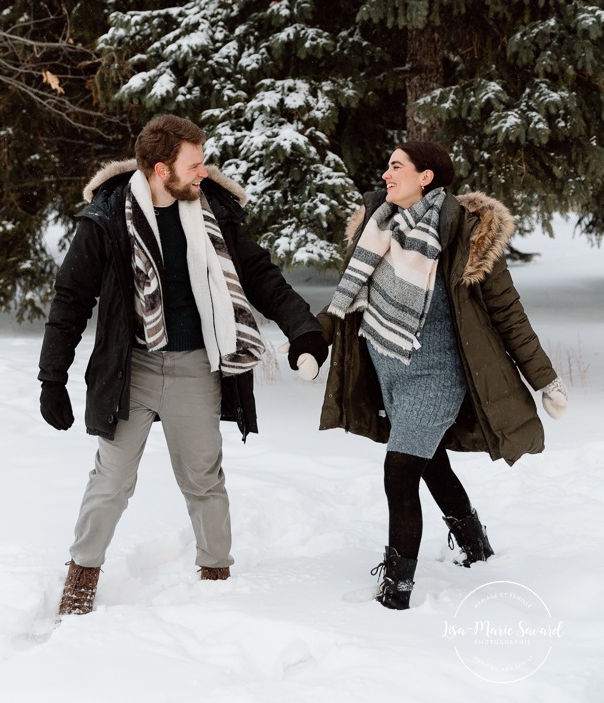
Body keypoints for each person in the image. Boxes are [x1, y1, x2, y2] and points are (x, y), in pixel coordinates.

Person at [38, 113, 328, 616]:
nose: (204, 172)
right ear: (159, 168)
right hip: (133, 368)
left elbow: (261, 276)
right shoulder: (108, 220)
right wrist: (52, 377)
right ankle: (79, 585)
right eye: (194, 164)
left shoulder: (213, 212)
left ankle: (217, 579)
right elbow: (70, 300)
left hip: (197, 366)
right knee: (111, 481)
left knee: (203, 478)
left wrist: (303, 328)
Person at [316, 141, 567, 610]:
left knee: (400, 471)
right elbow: (345, 294)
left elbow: (509, 314)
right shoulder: (379, 225)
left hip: (435, 375)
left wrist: (545, 379)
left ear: (425, 177)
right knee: (431, 463)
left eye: (396, 167)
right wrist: (314, 337)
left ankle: (397, 587)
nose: (387, 175)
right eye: (387, 166)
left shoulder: (464, 235)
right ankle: (476, 545)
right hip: (388, 368)